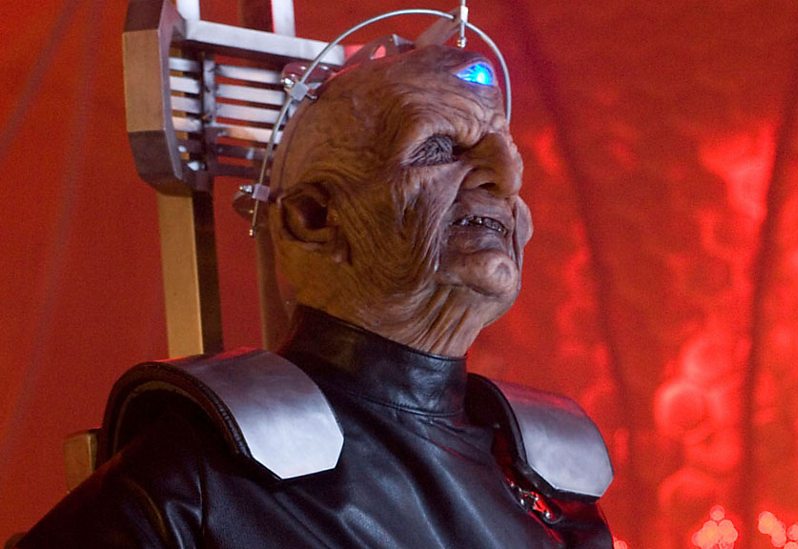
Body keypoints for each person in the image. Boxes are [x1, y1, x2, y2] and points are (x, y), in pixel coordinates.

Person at [18, 43, 613, 548]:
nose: (506, 177)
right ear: (313, 218)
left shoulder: (544, 480)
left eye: (508, 154)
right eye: (437, 149)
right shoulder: (199, 483)